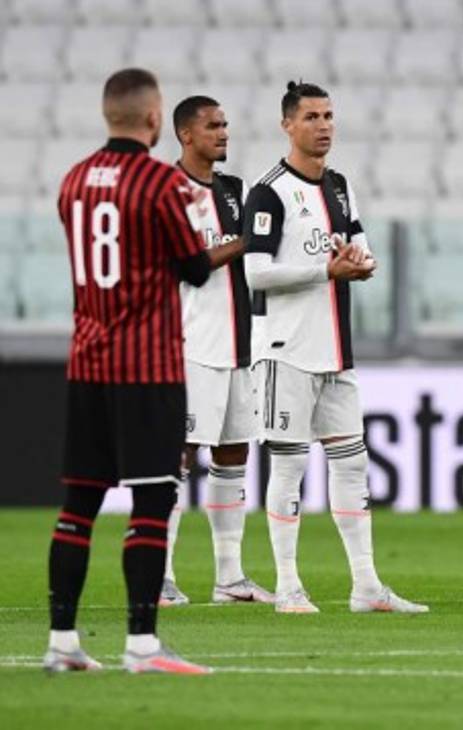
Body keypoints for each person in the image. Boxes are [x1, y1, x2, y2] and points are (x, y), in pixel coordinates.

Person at [45, 68, 228, 674]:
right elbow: (194, 269)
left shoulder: (73, 181)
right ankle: (142, 645)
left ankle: (62, 642)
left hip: (87, 362)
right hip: (146, 367)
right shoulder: (161, 183)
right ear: (154, 118)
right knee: (152, 500)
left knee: (78, 505)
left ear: (108, 114)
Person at [243, 81, 427, 615]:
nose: (323, 126)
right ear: (287, 125)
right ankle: (288, 587)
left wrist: (361, 263)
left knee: (352, 464)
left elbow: (360, 249)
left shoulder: (339, 186)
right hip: (285, 350)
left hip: (335, 351)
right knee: (289, 467)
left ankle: (366, 587)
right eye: (312, 117)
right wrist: (325, 270)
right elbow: (255, 273)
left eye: (328, 116)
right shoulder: (269, 192)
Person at [158, 95, 273, 607]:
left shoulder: (234, 190)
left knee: (233, 455)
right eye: (212, 126)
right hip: (189, 345)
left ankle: (229, 577)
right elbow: (186, 266)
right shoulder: (166, 191)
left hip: (238, 347)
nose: (224, 133)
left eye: (225, 124)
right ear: (186, 134)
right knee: (178, 458)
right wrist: (245, 240)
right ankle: (160, 576)